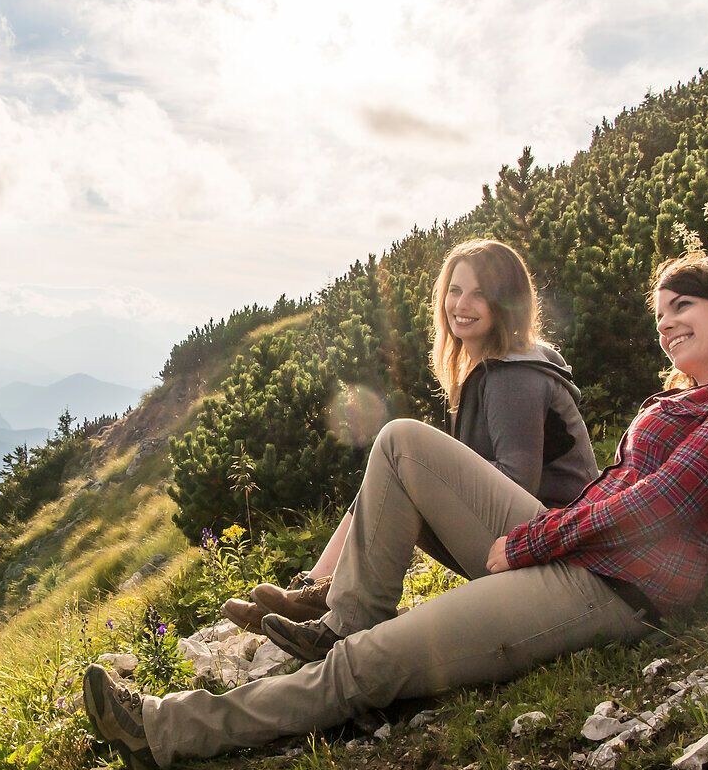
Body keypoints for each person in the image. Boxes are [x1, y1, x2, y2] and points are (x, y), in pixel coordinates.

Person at [87, 253, 708, 770]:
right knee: (402, 442)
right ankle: (346, 615)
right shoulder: (679, 400)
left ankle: (167, 728)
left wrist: (531, 541)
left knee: (368, 668)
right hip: (584, 554)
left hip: (622, 588)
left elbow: (666, 503)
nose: (666, 325)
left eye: (683, 306)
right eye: (660, 314)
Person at [222, 238, 597, 636]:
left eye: (479, 294)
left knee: (404, 453)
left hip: (553, 556)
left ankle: (345, 615)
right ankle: (316, 589)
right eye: (455, 290)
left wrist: (431, 480)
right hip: (528, 544)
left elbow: (517, 482)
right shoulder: (488, 368)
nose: (461, 305)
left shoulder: (514, 377)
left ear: (506, 303)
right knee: (396, 472)